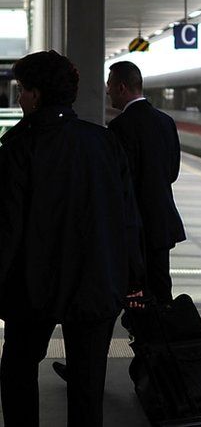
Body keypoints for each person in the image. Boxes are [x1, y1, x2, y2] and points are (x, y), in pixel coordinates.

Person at [0, 50, 144, 427]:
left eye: (22, 90)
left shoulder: (18, 146)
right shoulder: (104, 142)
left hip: (31, 287)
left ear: (36, 94)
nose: (19, 98)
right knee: (87, 384)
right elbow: (128, 218)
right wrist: (132, 277)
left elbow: (7, 226)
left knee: (17, 370)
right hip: (97, 283)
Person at [104, 61, 186, 303]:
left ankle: (148, 337)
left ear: (121, 88)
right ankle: (165, 336)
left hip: (133, 225)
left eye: (109, 85)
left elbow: (119, 181)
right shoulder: (165, 121)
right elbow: (172, 172)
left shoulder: (119, 127)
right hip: (162, 222)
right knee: (161, 287)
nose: (107, 91)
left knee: (136, 293)